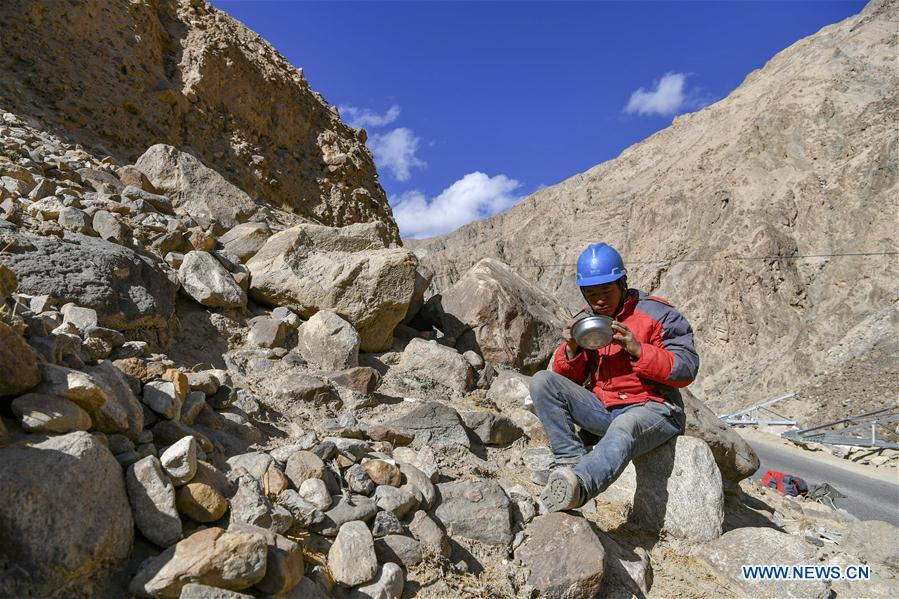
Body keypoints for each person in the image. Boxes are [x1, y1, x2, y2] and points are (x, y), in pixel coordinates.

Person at [532, 242, 699, 512]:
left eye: (606, 291)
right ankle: (567, 464)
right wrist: (572, 348)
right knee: (543, 381)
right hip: (604, 409)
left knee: (625, 426)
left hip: (654, 409)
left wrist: (638, 350)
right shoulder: (586, 320)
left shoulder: (658, 314)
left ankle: (579, 485)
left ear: (623, 282)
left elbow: (686, 368)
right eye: (590, 293)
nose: (599, 300)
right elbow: (570, 381)